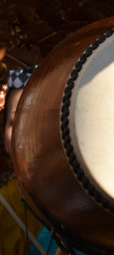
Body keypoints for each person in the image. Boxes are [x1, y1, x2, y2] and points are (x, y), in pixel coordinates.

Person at [1, 67, 59, 255]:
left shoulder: (89, 208)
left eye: (38, 119)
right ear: (5, 141)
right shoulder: (3, 209)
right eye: (14, 122)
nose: (24, 131)